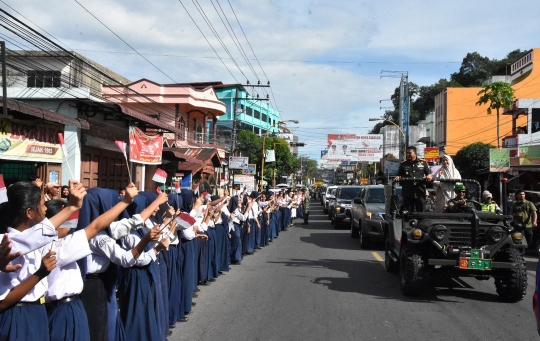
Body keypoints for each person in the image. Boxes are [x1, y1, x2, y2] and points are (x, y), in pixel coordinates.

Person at [394, 146, 433, 212]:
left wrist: (429, 176)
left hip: (420, 192)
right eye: (407, 153)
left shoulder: (423, 163)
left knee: (421, 213)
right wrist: (398, 177)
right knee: (408, 213)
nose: (408, 155)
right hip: (408, 193)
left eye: (410, 153)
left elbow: (429, 174)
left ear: (415, 153)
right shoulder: (403, 164)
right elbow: (398, 175)